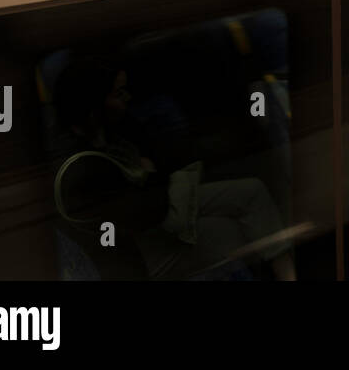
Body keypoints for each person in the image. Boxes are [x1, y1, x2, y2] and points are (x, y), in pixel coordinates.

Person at [54, 58, 296, 280]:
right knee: (234, 231)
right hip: (134, 256)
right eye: (118, 93)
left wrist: (151, 174)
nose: (127, 98)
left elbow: (161, 157)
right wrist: (149, 173)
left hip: (161, 204)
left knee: (252, 192)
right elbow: (152, 212)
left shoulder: (116, 126)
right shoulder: (82, 167)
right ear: (94, 109)